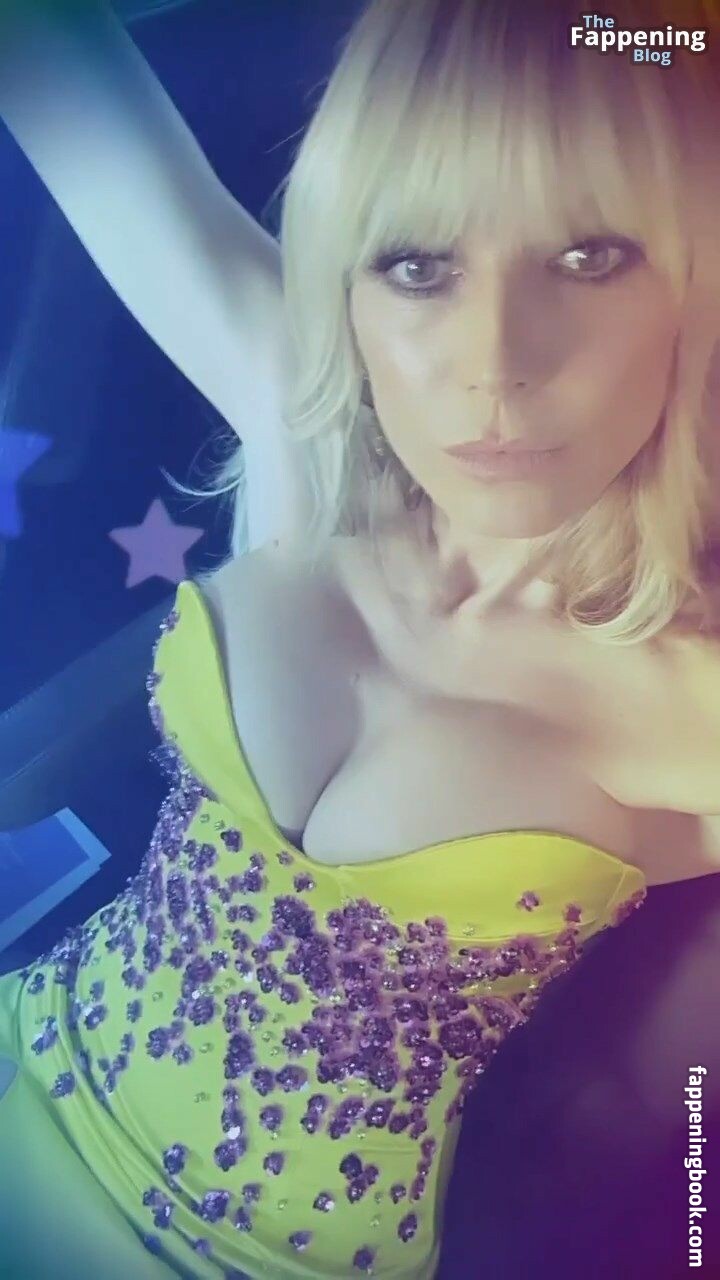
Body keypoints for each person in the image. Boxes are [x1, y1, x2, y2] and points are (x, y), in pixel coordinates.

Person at [0, 0, 719, 1276]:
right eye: (419, 266)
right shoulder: (314, 445)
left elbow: (655, 1128)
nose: (493, 365)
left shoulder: (692, 704)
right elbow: (51, 58)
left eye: (590, 255)